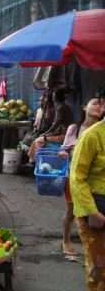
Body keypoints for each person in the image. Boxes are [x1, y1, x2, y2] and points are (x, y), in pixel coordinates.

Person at [70, 95, 105, 291]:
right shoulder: (92, 135)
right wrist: (92, 212)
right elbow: (76, 177)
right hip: (96, 211)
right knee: (99, 268)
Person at [58, 97, 103, 257]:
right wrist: (65, 153)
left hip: (95, 185)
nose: (98, 107)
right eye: (94, 103)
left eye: (100, 104)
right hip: (74, 177)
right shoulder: (75, 129)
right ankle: (66, 240)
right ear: (84, 107)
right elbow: (64, 149)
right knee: (71, 212)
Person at [27, 89, 74, 164]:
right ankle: (33, 161)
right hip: (65, 134)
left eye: (53, 95)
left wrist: (46, 133)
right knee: (41, 137)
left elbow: (56, 124)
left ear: (56, 97)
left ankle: (32, 162)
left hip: (64, 136)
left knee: (38, 140)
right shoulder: (64, 107)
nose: (52, 96)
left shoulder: (61, 108)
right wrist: (48, 133)